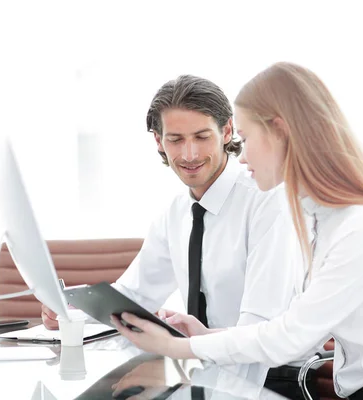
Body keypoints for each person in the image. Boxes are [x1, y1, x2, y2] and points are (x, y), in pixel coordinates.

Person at [111, 62, 363, 400]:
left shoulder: (361, 226)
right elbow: (302, 331)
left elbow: (291, 338)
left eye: (246, 138)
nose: (242, 156)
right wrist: (207, 336)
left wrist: (179, 347)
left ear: (279, 132)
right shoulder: (323, 219)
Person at [41, 75, 309, 397]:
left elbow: (258, 333)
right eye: (176, 140)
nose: (190, 154)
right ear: (158, 141)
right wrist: (70, 311)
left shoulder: (267, 202)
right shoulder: (176, 213)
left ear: (227, 132)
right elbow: (132, 296)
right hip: (204, 371)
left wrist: (179, 362)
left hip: (272, 379)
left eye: (201, 136)